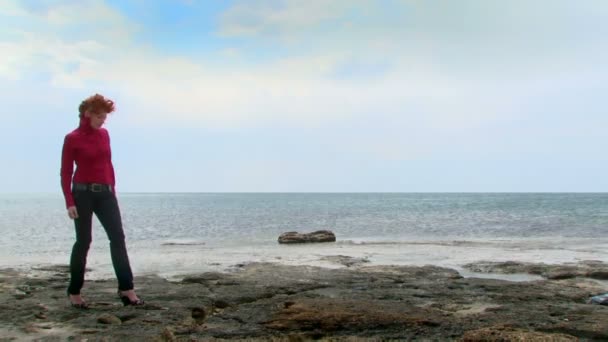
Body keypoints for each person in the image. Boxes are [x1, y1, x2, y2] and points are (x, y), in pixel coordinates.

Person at [60, 93, 143, 308]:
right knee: (84, 241)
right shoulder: (72, 138)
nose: (102, 121)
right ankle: (74, 291)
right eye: (99, 117)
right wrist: (69, 201)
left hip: (106, 194)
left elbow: (108, 165)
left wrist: (112, 192)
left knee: (118, 238)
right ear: (87, 114)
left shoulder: (104, 135)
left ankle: (126, 289)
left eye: (105, 118)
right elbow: (66, 172)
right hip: (82, 194)